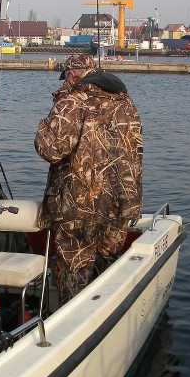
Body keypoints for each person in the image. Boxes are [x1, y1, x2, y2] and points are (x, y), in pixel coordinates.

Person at [34, 53, 143, 307]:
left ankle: (70, 334)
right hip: (120, 204)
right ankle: (107, 323)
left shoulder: (72, 101)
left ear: (72, 73)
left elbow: (50, 148)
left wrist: (48, 118)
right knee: (107, 271)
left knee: (74, 277)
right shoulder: (126, 102)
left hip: (79, 208)